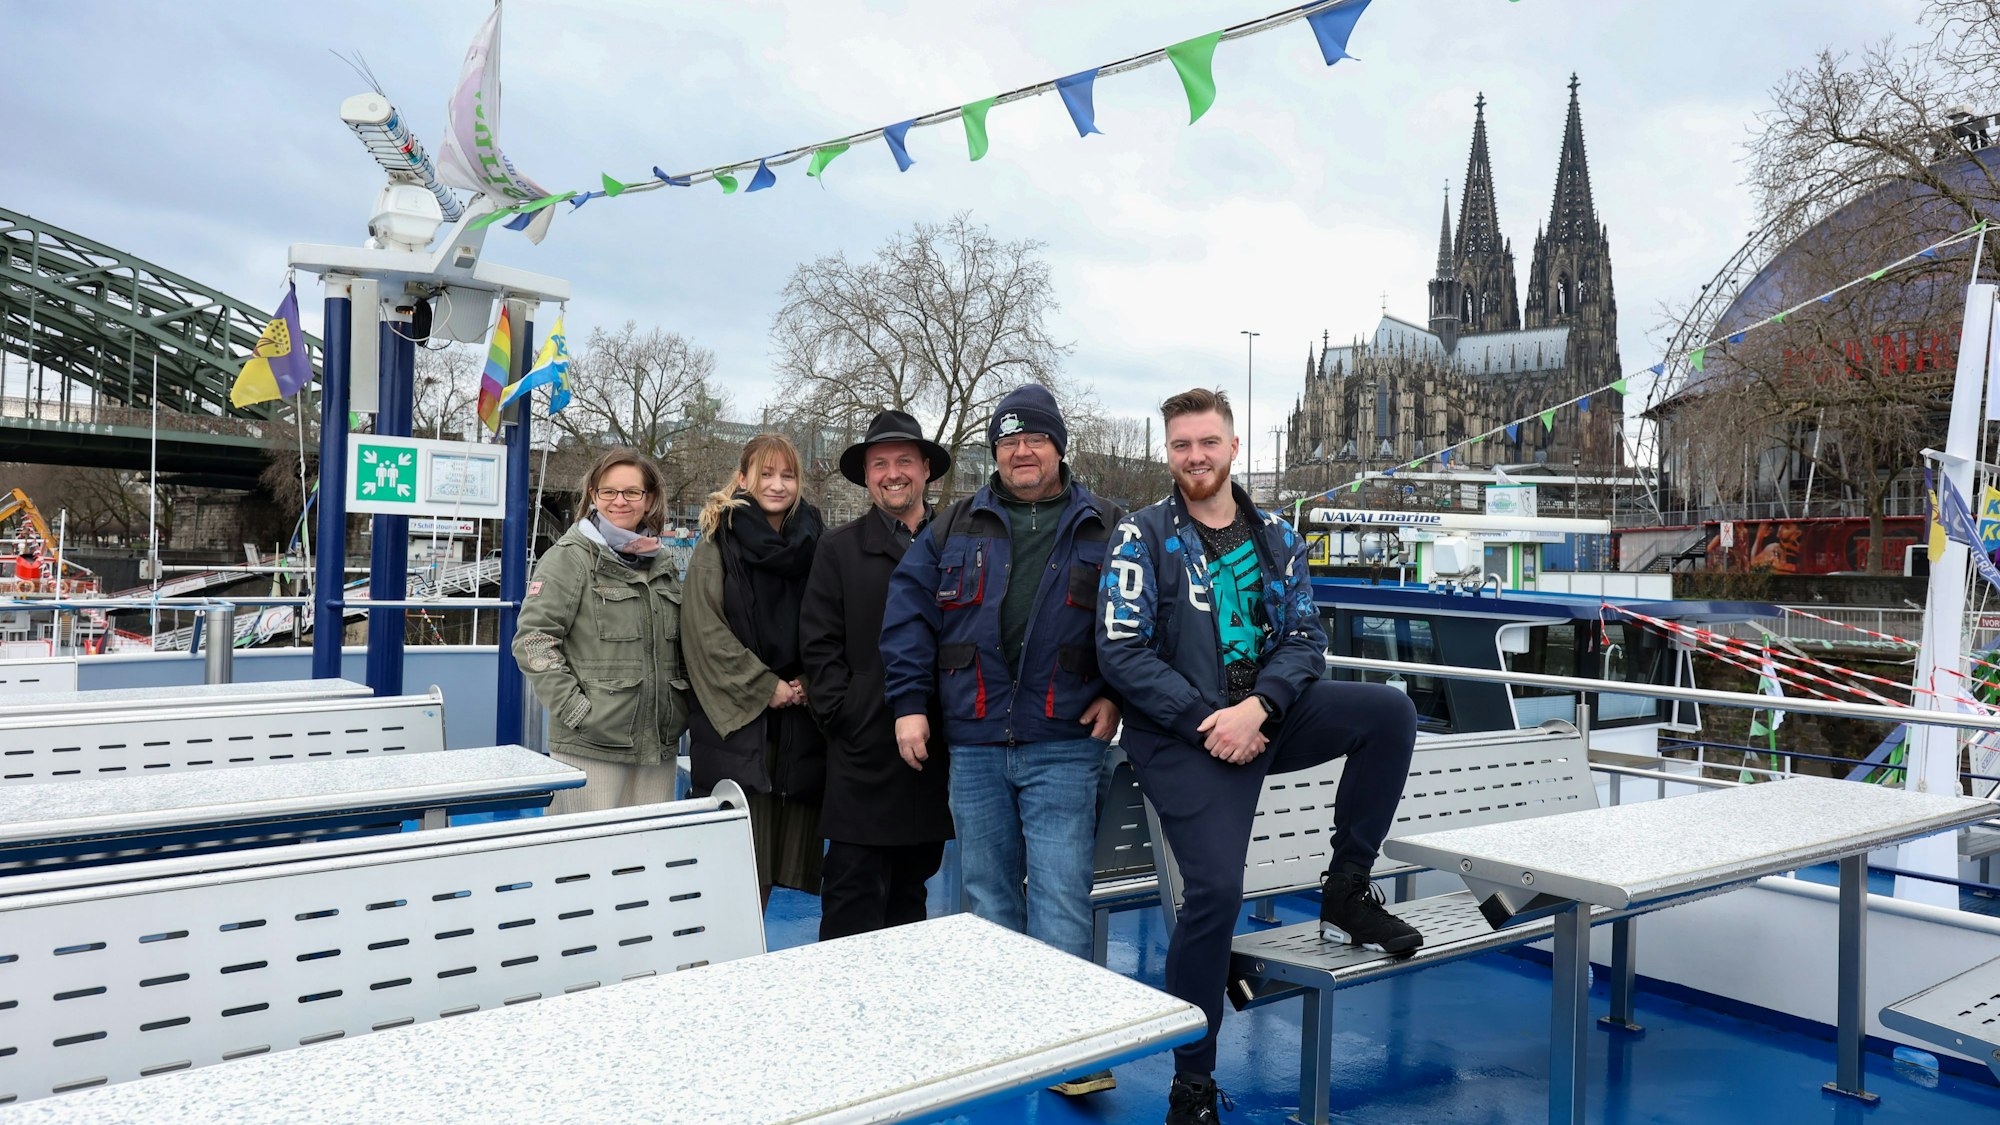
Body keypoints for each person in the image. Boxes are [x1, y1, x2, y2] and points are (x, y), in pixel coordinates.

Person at [1096, 388, 1420, 1125]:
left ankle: (1346, 886)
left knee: (1389, 712)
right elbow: (1121, 651)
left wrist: (1259, 708)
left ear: (1234, 447)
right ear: (1168, 452)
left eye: (1207, 442)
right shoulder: (1140, 537)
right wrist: (1211, 720)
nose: (1195, 457)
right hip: (1184, 736)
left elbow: (1306, 638)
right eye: (1181, 445)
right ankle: (1194, 1082)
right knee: (1214, 893)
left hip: (1262, 716)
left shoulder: (1275, 533)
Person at [881, 383, 1123, 1097]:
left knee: (1060, 896)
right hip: (977, 742)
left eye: (1035, 438)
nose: (1022, 450)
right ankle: (1005, 1034)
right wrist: (909, 705)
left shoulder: (1105, 526)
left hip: (1065, 742)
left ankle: (1073, 1050)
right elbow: (907, 618)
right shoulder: (954, 526)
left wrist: (1117, 694)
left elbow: (1145, 624)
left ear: (1059, 446)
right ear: (996, 452)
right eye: (1009, 440)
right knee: (986, 896)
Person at [800, 410, 955, 941]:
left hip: (934, 753)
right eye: (880, 464)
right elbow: (818, 648)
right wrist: (851, 716)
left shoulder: (955, 542)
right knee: (852, 901)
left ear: (926, 470)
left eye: (905, 462)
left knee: (912, 898)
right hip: (862, 757)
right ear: (867, 476)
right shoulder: (838, 548)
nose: (894, 473)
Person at [684, 433, 827, 906]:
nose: (778, 485)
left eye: (788, 475)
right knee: (729, 877)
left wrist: (805, 682)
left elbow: (831, 619)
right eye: (766, 473)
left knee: (770, 869)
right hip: (740, 726)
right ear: (743, 478)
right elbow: (705, 632)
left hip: (796, 728)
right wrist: (766, 687)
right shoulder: (716, 542)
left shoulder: (816, 542)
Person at [513, 448, 689, 815]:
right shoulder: (571, 557)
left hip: (656, 745)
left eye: (631, 492)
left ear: (650, 499)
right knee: (583, 861)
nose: (619, 501)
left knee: (645, 855)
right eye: (608, 491)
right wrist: (577, 711)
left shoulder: (663, 563)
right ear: (593, 495)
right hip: (592, 746)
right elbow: (534, 640)